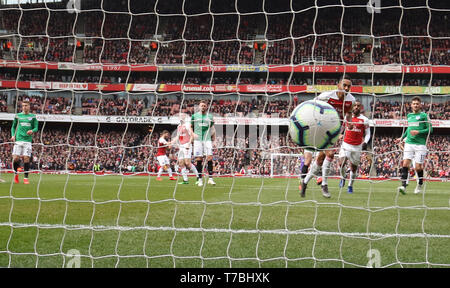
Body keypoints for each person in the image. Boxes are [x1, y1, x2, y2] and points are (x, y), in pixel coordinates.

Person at [300, 76, 355, 198]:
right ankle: (324, 184)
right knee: (330, 154)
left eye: (348, 86)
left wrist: (349, 123)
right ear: (338, 85)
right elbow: (312, 105)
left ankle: (304, 182)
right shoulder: (327, 96)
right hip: (321, 128)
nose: (346, 88)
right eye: (344, 85)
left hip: (334, 131)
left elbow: (349, 114)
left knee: (320, 159)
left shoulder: (351, 100)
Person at [395, 96, 432, 194]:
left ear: (420, 105)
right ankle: (403, 186)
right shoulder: (409, 116)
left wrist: (418, 132)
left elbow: (430, 129)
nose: (415, 105)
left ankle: (419, 184)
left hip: (420, 145)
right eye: (414, 103)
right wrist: (401, 138)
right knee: (405, 164)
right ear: (411, 105)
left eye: (417, 104)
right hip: (409, 143)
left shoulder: (424, 116)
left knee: (418, 167)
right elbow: (408, 129)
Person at [337, 100, 371, 194]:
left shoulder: (364, 120)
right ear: (352, 107)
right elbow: (343, 127)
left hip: (357, 147)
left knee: (353, 168)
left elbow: (368, 134)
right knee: (341, 163)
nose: (356, 107)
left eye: (358, 106)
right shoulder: (347, 117)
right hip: (346, 144)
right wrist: (340, 134)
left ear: (361, 108)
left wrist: (365, 142)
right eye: (355, 105)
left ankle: (350, 186)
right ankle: (343, 177)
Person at [11, 100, 38, 184]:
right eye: (23, 105)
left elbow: (36, 128)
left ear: (29, 106)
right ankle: (16, 174)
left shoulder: (33, 117)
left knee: (26, 158)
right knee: (15, 158)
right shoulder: (18, 116)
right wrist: (13, 135)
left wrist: (32, 130)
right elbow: (13, 127)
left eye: (26, 105)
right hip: (18, 140)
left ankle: (26, 178)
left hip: (28, 141)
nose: (24, 107)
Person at [191, 100, 216, 187]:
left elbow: (212, 128)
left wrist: (214, 139)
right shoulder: (194, 116)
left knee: (209, 158)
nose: (203, 107)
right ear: (199, 106)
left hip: (207, 139)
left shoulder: (210, 116)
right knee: (199, 159)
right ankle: (200, 179)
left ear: (206, 107)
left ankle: (210, 179)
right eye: (201, 105)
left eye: (204, 106)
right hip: (198, 140)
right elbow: (190, 126)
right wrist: (193, 133)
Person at [173, 113, 199, 184]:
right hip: (181, 146)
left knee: (187, 163)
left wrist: (189, 144)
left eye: (182, 116)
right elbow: (178, 136)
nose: (181, 117)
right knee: (181, 163)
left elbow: (192, 135)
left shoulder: (187, 125)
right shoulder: (179, 126)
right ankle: (185, 180)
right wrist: (171, 142)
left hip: (187, 145)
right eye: (180, 116)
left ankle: (198, 177)